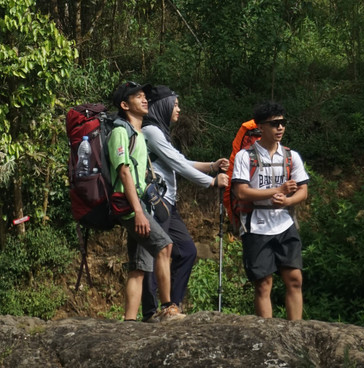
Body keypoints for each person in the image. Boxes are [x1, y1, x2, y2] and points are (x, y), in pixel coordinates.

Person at [141, 85, 229, 321]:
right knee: (157, 254)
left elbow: (179, 160)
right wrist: (211, 182)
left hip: (167, 202)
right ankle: (152, 312)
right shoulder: (150, 131)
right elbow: (178, 165)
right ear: (163, 105)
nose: (178, 109)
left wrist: (211, 165)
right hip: (156, 203)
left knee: (186, 251)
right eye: (175, 104)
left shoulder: (159, 132)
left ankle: (173, 306)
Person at [108, 81, 185, 322]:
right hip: (131, 205)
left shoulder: (138, 134)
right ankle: (168, 308)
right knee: (164, 246)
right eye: (137, 97)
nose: (144, 100)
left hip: (139, 204)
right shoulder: (120, 131)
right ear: (124, 105)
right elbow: (124, 173)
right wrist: (138, 212)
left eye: (145, 96)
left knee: (139, 266)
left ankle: (130, 321)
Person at [231, 101, 309, 321]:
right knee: (263, 284)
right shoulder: (245, 157)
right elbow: (241, 192)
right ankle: (268, 336)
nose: (281, 128)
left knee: (294, 278)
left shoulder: (291, 156)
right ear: (261, 127)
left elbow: (303, 191)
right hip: (256, 225)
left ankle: (296, 331)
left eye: (283, 123)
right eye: (275, 124)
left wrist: (287, 200)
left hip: (284, 223)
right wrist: (278, 190)